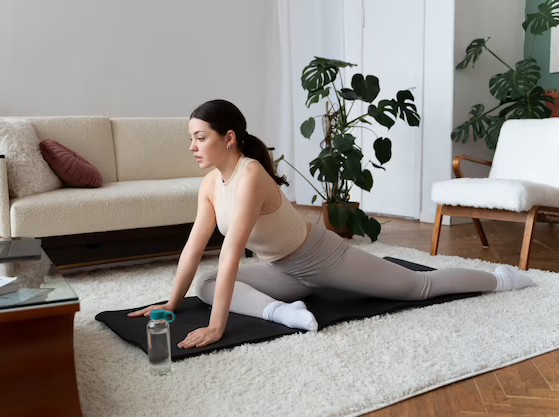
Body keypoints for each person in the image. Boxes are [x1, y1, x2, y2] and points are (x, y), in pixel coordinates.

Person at [128, 99, 534, 349]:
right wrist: (170, 304)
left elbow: (232, 249)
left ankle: (500, 279)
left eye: (200, 137)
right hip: (284, 271)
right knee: (207, 284)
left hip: (322, 258)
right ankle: (283, 313)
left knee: (417, 287)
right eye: (192, 138)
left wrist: (218, 326)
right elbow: (194, 248)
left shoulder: (251, 175)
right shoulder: (211, 184)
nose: (192, 147)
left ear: (228, 138)